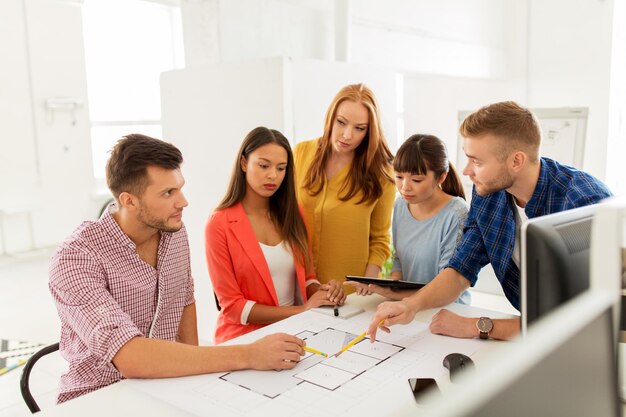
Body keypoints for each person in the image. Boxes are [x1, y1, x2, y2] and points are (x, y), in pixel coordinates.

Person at [49, 134, 306, 403]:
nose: (183, 202)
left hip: (166, 384)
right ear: (129, 201)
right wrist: (250, 354)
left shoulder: (173, 232)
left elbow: (185, 299)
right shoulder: (75, 258)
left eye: (180, 188)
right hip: (98, 397)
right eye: (168, 193)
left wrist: (196, 384)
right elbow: (130, 356)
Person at [367, 101, 612, 341]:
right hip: (534, 335)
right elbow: (460, 270)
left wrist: (479, 326)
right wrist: (411, 305)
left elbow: (579, 319)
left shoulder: (585, 202)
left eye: (477, 161)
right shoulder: (488, 194)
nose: (466, 171)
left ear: (516, 161)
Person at [205, 127, 345, 344]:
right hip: (245, 339)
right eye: (263, 165)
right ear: (244, 163)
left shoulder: (293, 212)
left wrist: (324, 292)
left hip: (297, 331)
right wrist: (301, 310)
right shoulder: (219, 224)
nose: (273, 175)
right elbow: (233, 307)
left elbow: (307, 278)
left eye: (281, 168)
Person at [294, 83, 396, 292]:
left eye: (359, 128)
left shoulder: (381, 173)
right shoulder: (301, 153)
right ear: (331, 117)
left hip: (347, 292)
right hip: (296, 285)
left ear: (370, 131)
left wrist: (366, 287)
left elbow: (380, 239)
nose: (347, 135)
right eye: (341, 122)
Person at [346, 134, 471, 304]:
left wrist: (392, 294)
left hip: (445, 310)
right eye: (398, 177)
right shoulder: (401, 204)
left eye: (416, 179)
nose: (405, 187)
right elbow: (399, 259)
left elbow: (447, 286)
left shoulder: (457, 213)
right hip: (408, 306)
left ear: (441, 177)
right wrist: (394, 283)